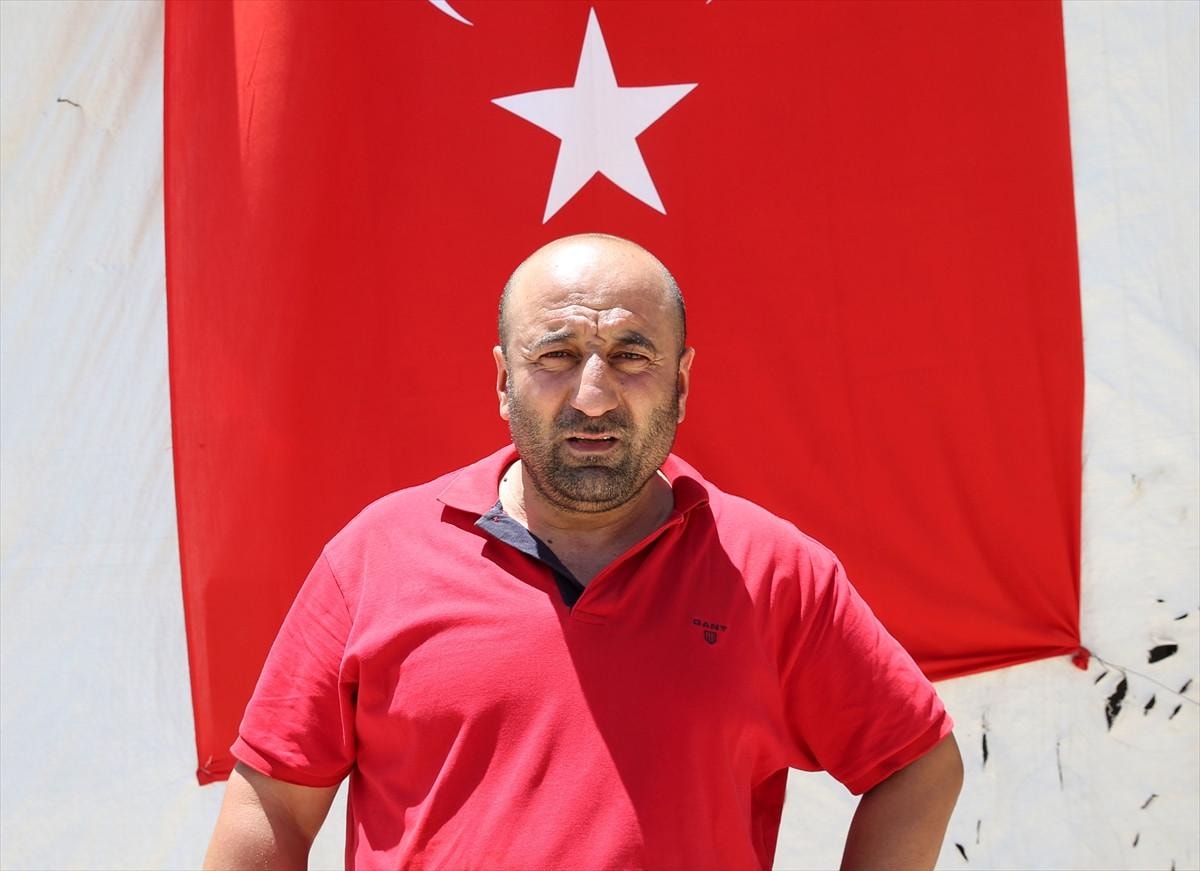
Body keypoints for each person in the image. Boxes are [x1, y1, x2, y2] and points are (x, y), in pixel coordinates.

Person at [205, 233, 963, 870]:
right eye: (557, 354)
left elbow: (918, 767)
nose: (593, 396)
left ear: (682, 383)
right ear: (504, 380)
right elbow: (274, 804)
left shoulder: (773, 571)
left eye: (631, 355)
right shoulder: (377, 556)